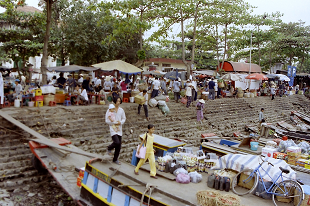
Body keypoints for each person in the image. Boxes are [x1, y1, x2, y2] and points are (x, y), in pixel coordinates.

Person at [106, 97, 126, 165]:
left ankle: (115, 159)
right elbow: (107, 120)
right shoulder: (110, 110)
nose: (118, 102)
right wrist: (114, 123)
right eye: (117, 101)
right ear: (114, 101)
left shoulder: (121, 110)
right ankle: (109, 147)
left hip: (119, 129)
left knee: (119, 146)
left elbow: (124, 118)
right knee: (117, 142)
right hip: (113, 128)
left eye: (119, 101)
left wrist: (120, 122)